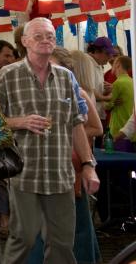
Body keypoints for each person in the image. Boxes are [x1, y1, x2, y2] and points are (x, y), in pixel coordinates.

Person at [0, 17, 100, 264]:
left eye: (50, 36)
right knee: (24, 238)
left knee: (62, 243)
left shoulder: (66, 78)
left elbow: (76, 125)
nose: (45, 40)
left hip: (60, 175)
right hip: (24, 174)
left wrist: (88, 165)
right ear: (24, 42)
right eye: (38, 36)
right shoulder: (7, 76)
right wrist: (20, 122)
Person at [25, 48, 103, 264]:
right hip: (42, 170)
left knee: (74, 226)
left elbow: (96, 128)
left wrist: (66, 136)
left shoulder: (78, 93)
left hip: (70, 169)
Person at [106, 55, 134, 151]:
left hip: (118, 129)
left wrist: (103, 97)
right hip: (131, 128)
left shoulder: (117, 83)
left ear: (118, 65)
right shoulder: (132, 82)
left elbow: (107, 106)